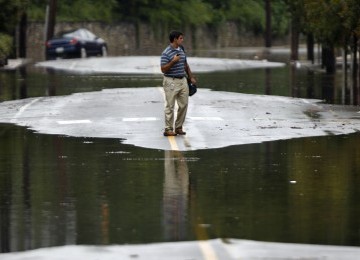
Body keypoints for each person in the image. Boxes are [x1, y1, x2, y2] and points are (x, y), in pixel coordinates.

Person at [160, 31, 196, 136]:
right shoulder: (166, 53)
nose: (182, 40)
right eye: (180, 38)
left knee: (184, 104)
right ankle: (168, 129)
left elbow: (185, 64)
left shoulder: (181, 50)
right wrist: (173, 62)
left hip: (183, 80)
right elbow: (163, 69)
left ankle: (179, 127)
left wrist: (191, 77)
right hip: (171, 81)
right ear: (175, 39)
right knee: (170, 106)